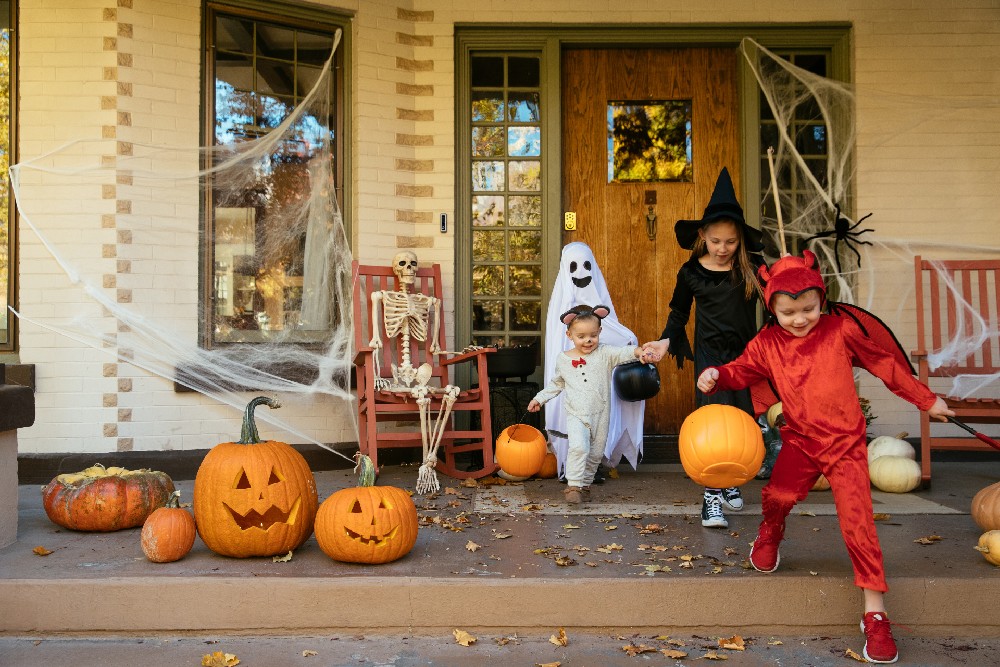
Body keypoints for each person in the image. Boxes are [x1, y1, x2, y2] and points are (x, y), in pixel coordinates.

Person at [697, 250, 953, 665]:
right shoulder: (767, 343)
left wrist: (927, 400)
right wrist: (717, 376)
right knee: (779, 496)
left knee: (860, 525)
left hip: (846, 445)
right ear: (773, 309)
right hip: (800, 441)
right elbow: (741, 370)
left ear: (822, 301)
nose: (799, 319)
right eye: (788, 312)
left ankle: (875, 613)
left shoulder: (840, 331)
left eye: (808, 309)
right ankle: (770, 532)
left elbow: (884, 365)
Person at [642, 167, 765, 529]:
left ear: (740, 238)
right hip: (710, 356)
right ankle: (711, 500)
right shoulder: (691, 272)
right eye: (715, 241)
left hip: (747, 356)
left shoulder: (752, 268)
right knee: (714, 424)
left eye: (730, 241)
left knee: (744, 422)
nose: (723, 249)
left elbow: (778, 303)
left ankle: (729, 484)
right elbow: (679, 312)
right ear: (703, 236)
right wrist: (665, 342)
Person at [528, 305, 651, 504]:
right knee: (579, 447)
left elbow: (623, 353)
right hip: (576, 413)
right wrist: (539, 399)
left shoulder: (605, 353)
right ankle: (573, 485)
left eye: (593, 335)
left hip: (601, 413)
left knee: (595, 453)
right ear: (570, 335)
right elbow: (557, 383)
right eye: (582, 336)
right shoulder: (564, 359)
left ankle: (585, 484)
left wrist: (639, 351)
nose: (588, 340)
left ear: (600, 332)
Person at [542, 242, 645, 479]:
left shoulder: (599, 303)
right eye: (574, 266)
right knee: (573, 422)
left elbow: (608, 333)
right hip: (571, 381)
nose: (580, 273)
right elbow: (558, 345)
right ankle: (571, 466)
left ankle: (593, 466)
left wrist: (629, 342)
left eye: (587, 265)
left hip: (596, 383)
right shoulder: (561, 306)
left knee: (597, 424)